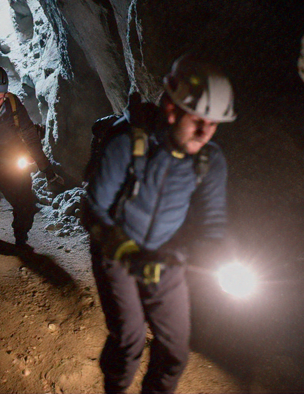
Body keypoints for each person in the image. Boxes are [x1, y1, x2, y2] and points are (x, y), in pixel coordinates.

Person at [83, 55, 236, 394]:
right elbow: (95, 208)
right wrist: (127, 252)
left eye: (213, 123)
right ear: (170, 108)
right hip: (116, 251)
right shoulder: (128, 143)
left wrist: (211, 254)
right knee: (129, 340)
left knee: (175, 354)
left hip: (165, 260)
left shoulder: (210, 162)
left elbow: (212, 225)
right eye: (198, 119)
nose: (204, 132)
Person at [0, 64, 63, 245]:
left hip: (6, 158)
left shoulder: (14, 107)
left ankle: (20, 239)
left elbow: (30, 137)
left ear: (5, 95)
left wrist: (46, 169)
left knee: (25, 202)